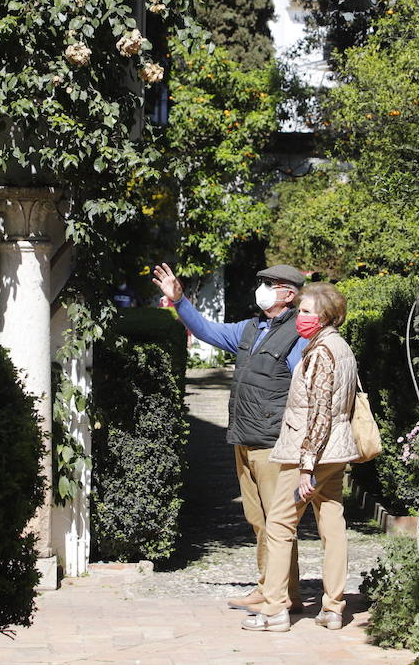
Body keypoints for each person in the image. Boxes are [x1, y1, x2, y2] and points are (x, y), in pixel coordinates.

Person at [151, 261, 307, 612]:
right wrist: (179, 302)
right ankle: (272, 585)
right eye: (262, 281)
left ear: (289, 294)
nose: (263, 288)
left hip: (274, 442)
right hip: (245, 436)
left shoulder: (298, 334)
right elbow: (207, 330)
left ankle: (281, 593)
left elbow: (304, 390)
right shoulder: (251, 329)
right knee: (258, 520)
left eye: (272, 284)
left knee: (277, 521)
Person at [240, 282, 359, 633]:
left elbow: (320, 411)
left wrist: (306, 465)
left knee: (278, 525)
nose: (300, 318)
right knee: (332, 525)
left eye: (306, 312)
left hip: (309, 453)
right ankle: (334, 608)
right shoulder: (342, 348)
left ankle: (276, 609)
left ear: (323, 317)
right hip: (336, 451)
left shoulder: (322, 352)